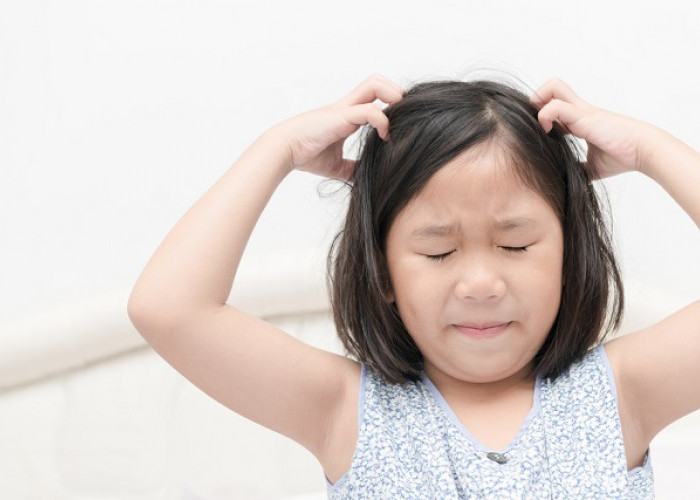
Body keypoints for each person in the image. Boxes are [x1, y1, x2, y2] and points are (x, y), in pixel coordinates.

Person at [128, 74, 700, 498]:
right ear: (382, 273)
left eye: (516, 245)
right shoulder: (344, 409)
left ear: (569, 255)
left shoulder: (620, 394)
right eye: (438, 251)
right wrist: (277, 149)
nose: (479, 283)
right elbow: (169, 309)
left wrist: (651, 151)